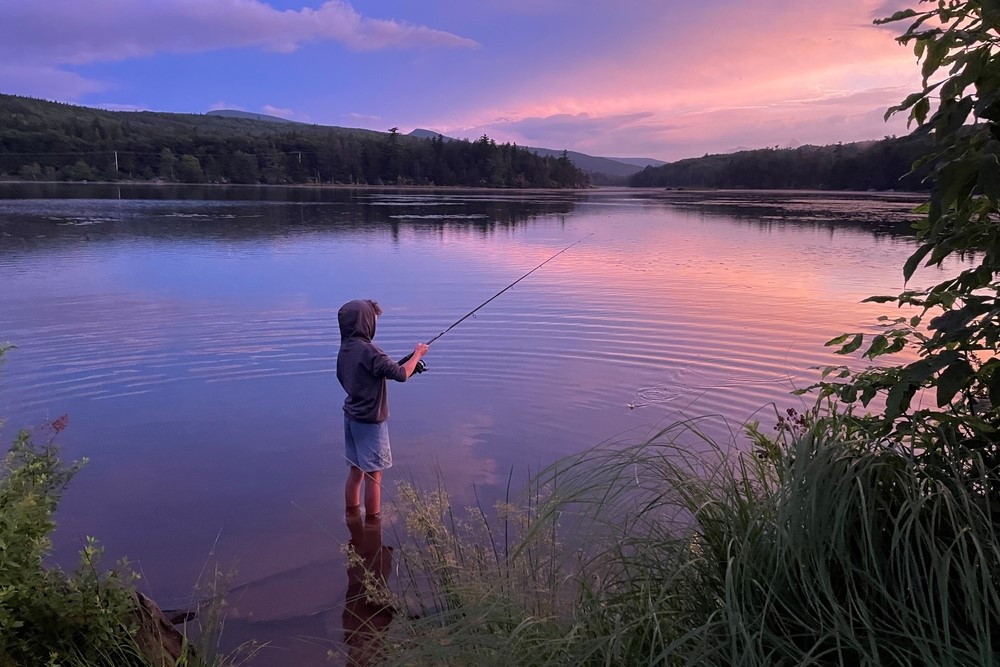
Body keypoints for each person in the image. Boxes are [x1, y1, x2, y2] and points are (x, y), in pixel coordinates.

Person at [337, 299, 428, 518]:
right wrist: (417, 354)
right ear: (364, 322)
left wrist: (404, 366)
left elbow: (372, 373)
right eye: (373, 321)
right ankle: (373, 522)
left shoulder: (346, 349)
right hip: (370, 422)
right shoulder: (370, 351)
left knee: (356, 471)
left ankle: (351, 515)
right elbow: (401, 374)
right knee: (374, 476)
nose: (373, 326)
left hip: (351, 418)